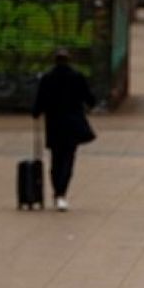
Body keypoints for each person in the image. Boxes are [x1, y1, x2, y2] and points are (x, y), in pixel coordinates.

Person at [31, 50, 97, 212]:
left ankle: (57, 190)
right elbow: (90, 99)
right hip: (73, 124)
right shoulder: (77, 77)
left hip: (54, 125)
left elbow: (39, 102)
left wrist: (36, 112)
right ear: (69, 61)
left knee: (55, 159)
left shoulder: (47, 78)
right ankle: (62, 193)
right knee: (68, 158)